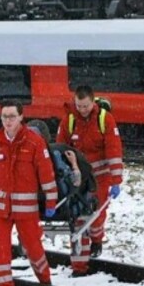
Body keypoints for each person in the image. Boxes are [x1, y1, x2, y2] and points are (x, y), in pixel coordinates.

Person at [0, 101, 57, 286]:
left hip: (26, 210)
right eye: (4, 117)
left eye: (11, 116)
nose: (7, 121)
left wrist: (51, 202)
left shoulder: (34, 142)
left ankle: (45, 281)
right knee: (0, 248)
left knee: (33, 247)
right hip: (2, 208)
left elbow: (46, 175)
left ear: (20, 117)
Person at [56, 85, 123, 262]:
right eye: (79, 106)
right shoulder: (69, 120)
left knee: (97, 213)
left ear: (93, 102)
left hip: (100, 177)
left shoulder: (105, 119)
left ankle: (96, 240)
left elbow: (114, 151)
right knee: (78, 214)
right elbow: (60, 148)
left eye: (85, 106)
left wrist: (116, 180)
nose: (82, 110)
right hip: (78, 177)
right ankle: (80, 251)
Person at [29, 119, 97, 277]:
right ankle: (79, 267)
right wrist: (74, 164)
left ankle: (37, 264)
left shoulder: (26, 158)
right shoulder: (59, 154)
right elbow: (78, 181)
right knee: (81, 222)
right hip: (63, 204)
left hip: (40, 206)